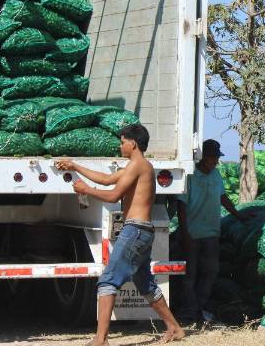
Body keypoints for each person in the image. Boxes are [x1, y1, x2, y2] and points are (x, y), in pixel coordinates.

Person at [55, 124, 184, 345]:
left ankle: (100, 339)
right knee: (145, 284)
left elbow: (114, 195)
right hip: (142, 231)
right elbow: (105, 179)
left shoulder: (138, 165)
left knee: (107, 281)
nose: (120, 145)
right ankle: (174, 328)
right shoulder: (138, 166)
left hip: (135, 231)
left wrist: (86, 191)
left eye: (122, 141)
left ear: (132, 143)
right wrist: (74, 165)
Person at [176, 139, 246, 324]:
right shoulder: (190, 176)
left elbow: (223, 197)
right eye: (212, 158)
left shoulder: (216, 175)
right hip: (192, 233)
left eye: (216, 157)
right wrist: (185, 233)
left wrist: (239, 216)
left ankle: (198, 308)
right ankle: (188, 312)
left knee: (211, 271)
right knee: (190, 275)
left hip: (211, 234)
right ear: (203, 157)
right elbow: (181, 206)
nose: (215, 161)